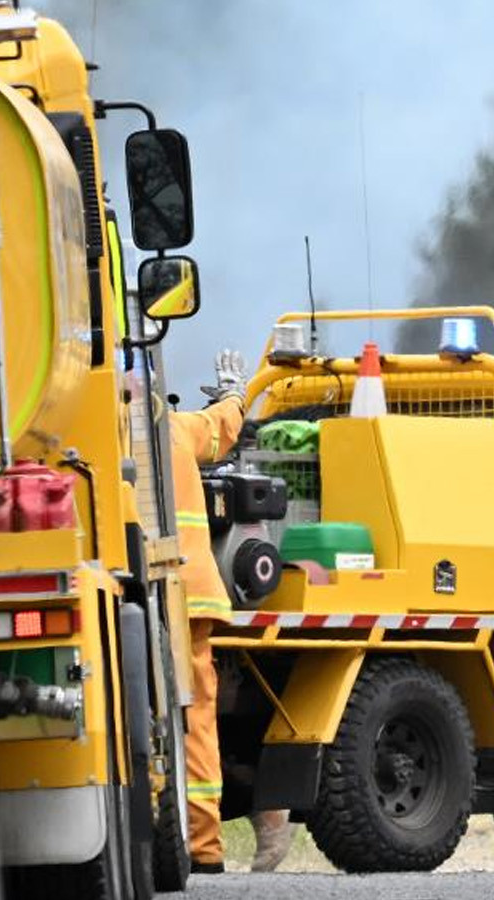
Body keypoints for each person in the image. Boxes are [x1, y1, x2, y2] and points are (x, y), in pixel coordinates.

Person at [174, 350, 292, 874]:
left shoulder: (82, 438)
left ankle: (185, 841)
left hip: (139, 600)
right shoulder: (171, 428)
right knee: (196, 719)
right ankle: (203, 850)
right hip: (193, 597)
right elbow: (221, 429)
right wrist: (234, 393)